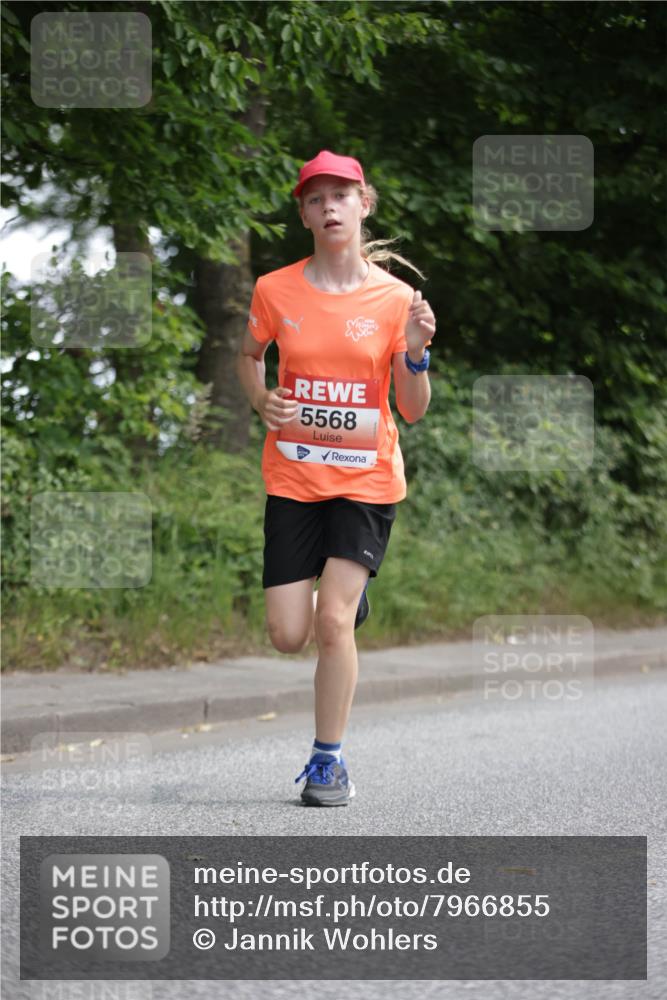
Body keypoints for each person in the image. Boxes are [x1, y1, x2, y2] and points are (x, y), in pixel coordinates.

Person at [237, 150, 435, 806]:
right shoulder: (274, 289)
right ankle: (342, 608)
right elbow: (247, 356)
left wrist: (414, 355)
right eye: (316, 198)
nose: (329, 208)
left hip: (365, 477)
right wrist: (260, 398)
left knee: (330, 622)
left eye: (340, 196)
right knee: (287, 634)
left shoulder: (396, 299)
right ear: (302, 214)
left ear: (363, 204)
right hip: (293, 476)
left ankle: (328, 762)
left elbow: (410, 408)